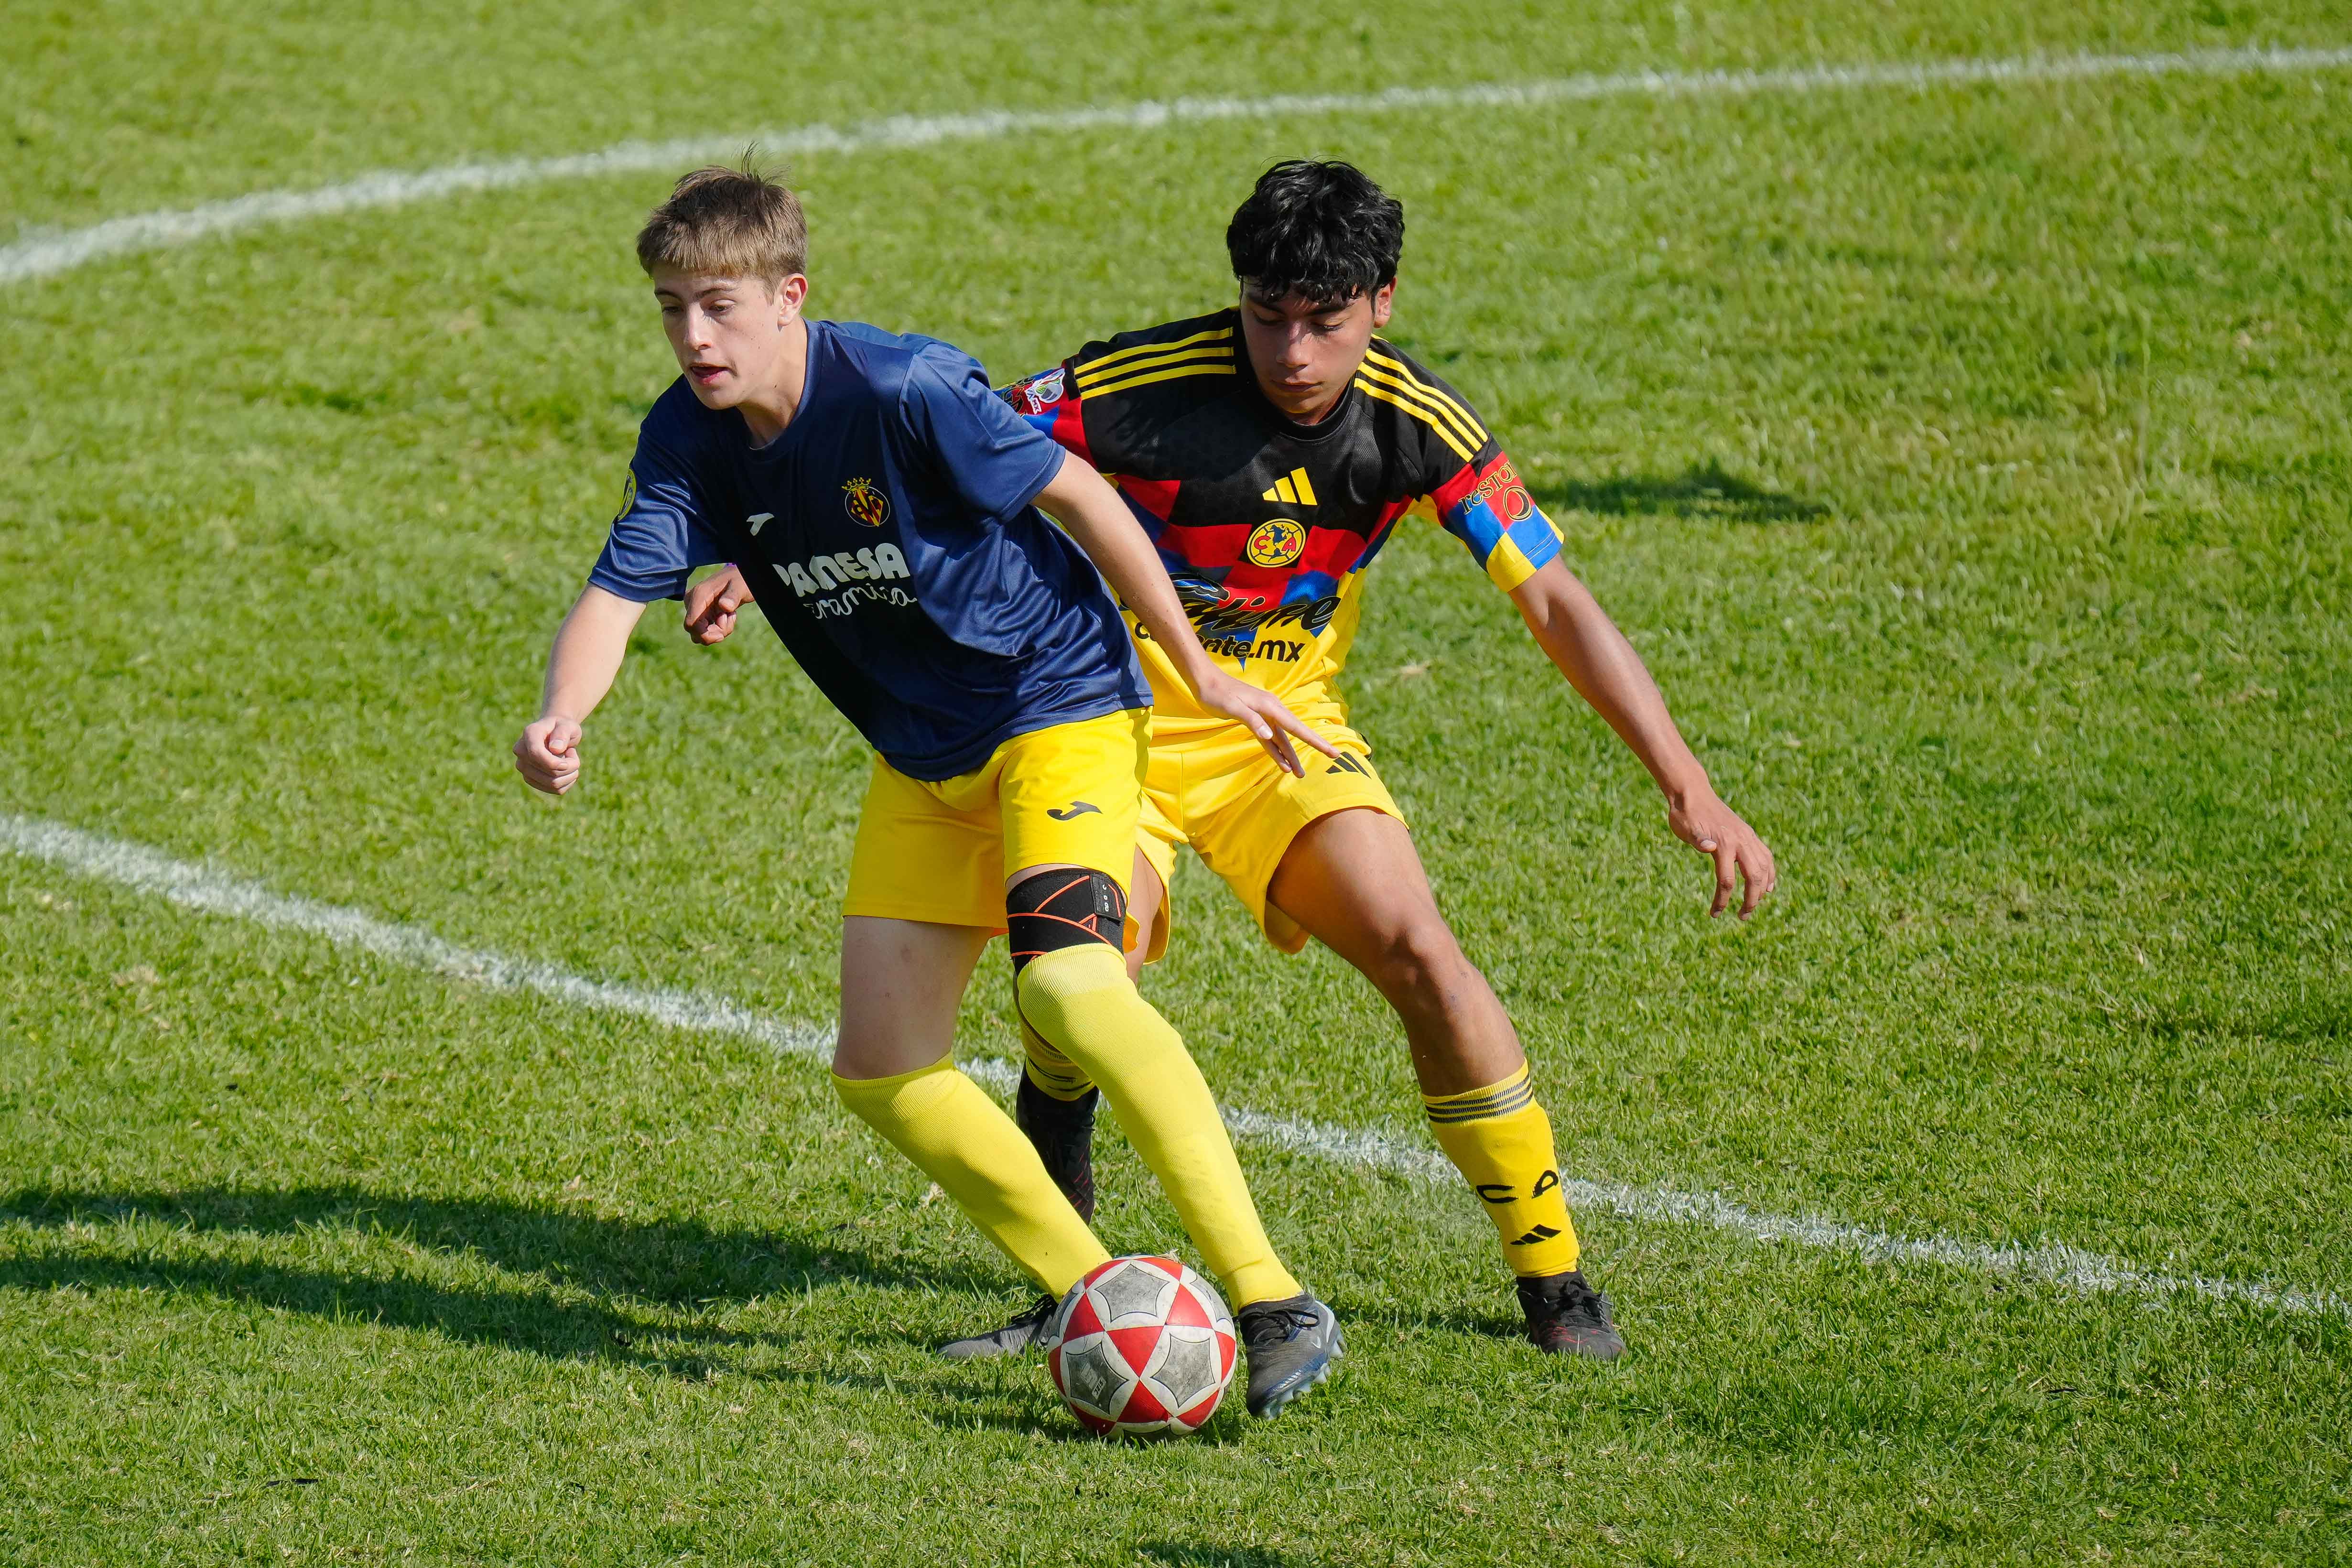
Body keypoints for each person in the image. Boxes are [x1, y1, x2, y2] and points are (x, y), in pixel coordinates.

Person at [688, 161, 1778, 1359]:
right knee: (1077, 992)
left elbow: (1556, 601)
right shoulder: (1136, 385)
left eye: (1326, 322)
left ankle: (1554, 1279)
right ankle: (1073, 1291)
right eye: (1268, 316)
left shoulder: (1419, 425)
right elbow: (914, 445)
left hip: (1278, 733)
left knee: (1421, 951)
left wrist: (1688, 785)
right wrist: (767, 542)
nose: (1294, 353)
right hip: (1103, 720)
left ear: (1383, 303)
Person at [514, 164, 1342, 1417]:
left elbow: (1082, 496)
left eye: (720, 306)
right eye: (672, 308)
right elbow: (616, 593)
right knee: (882, 1067)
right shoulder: (686, 437)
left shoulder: (904, 390)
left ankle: (1273, 1297)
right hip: (923, 756)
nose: (694, 336)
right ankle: (1089, 1291)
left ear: (789, 296)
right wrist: (563, 714)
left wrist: (1198, 667)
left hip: (1059, 706)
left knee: (1067, 986)